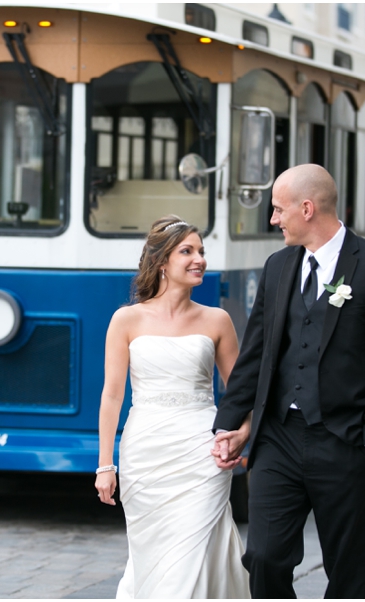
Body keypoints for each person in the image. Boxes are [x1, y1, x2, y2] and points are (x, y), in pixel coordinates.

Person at [212, 164, 365, 599]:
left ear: (307, 208)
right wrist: (228, 423)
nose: (273, 219)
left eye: (278, 209)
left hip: (345, 443)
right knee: (263, 558)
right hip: (278, 440)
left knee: (346, 574)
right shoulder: (278, 266)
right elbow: (256, 354)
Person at [95, 215, 251, 599]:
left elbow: (241, 391)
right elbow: (112, 395)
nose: (199, 258)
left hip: (202, 452)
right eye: (187, 251)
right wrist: (105, 464)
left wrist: (241, 435)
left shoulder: (217, 320)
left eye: (201, 251)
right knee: (153, 558)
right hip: (146, 453)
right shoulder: (126, 319)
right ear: (162, 262)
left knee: (195, 553)